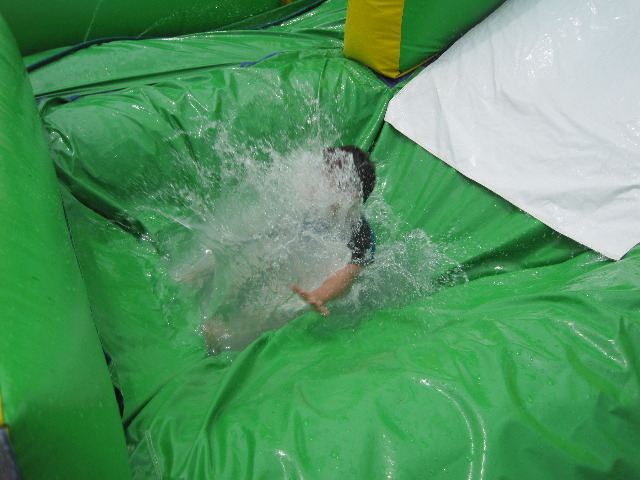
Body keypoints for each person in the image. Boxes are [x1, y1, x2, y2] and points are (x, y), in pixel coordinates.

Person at [291, 145, 376, 316]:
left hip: (311, 290)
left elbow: (349, 274)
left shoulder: (359, 233)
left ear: (350, 195)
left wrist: (319, 295)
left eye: (326, 176)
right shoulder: (311, 209)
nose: (317, 179)